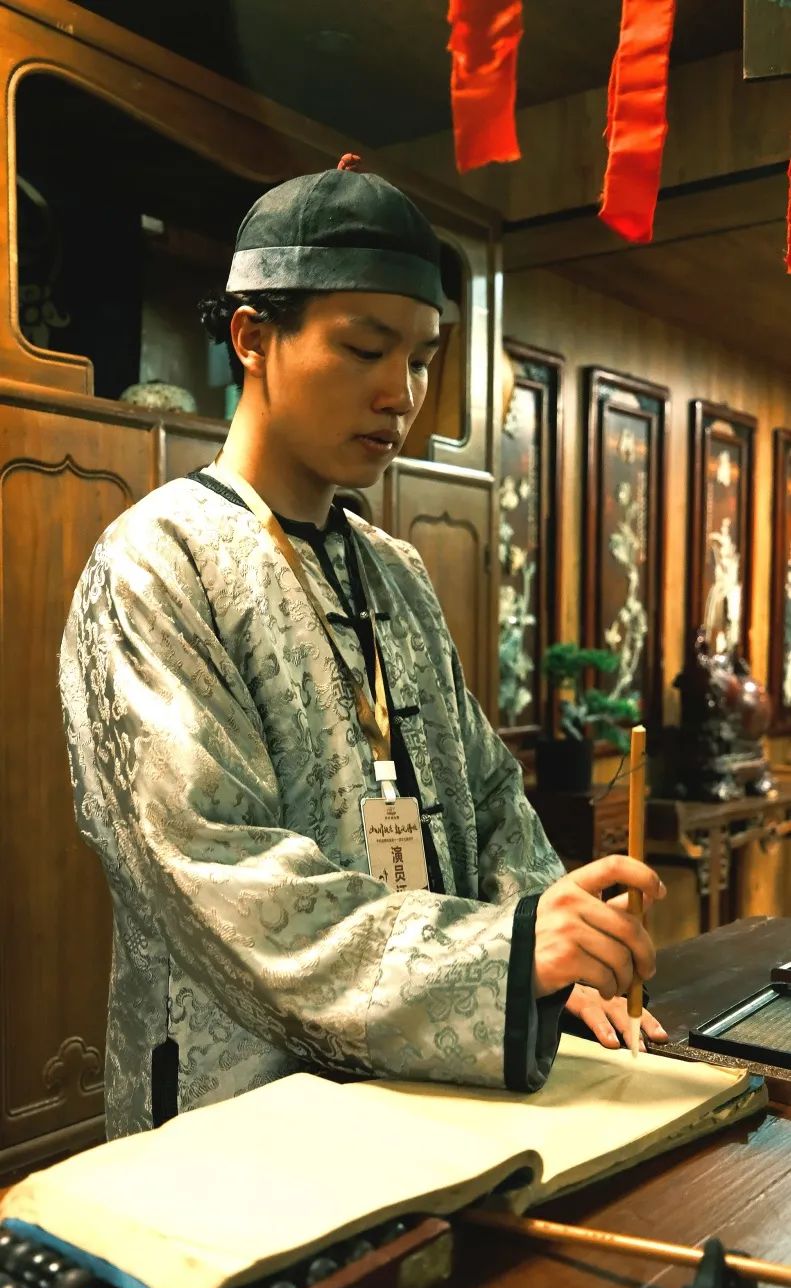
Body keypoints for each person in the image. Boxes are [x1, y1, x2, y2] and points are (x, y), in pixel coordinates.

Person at [58, 157, 666, 1139]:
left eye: (420, 357)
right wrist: (502, 958)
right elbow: (214, 871)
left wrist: (561, 952)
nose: (400, 392)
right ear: (253, 338)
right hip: (244, 1114)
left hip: (439, 1092)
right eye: (363, 348)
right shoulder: (156, 561)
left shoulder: (395, 570)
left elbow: (489, 801)